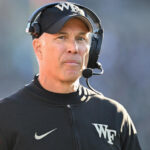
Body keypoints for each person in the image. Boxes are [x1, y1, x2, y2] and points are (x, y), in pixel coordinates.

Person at [0, 1, 142, 150]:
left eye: (80, 38)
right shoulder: (6, 115)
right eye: (61, 37)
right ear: (38, 48)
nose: (73, 48)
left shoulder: (114, 115)